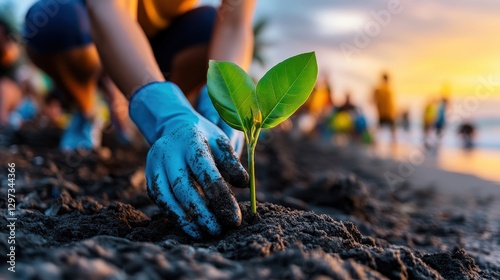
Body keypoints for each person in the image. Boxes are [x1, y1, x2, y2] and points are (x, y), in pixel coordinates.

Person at [24, 0, 255, 239]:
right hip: (91, 34)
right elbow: (106, 7)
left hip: (161, 47)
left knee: (208, 27)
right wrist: (164, 112)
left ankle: (179, 126)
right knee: (53, 22)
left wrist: (220, 98)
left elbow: (235, 23)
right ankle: (88, 110)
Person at [0, 18, 37, 129]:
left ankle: (2, 124)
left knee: (4, 87)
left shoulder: (18, 55)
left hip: (20, 102)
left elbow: (29, 86)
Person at [373, 72, 396, 143]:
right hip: (388, 113)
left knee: (380, 128)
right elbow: (391, 103)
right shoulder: (388, 89)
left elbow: (374, 100)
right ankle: (393, 143)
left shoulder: (379, 89)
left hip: (383, 112)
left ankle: (375, 142)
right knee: (392, 129)